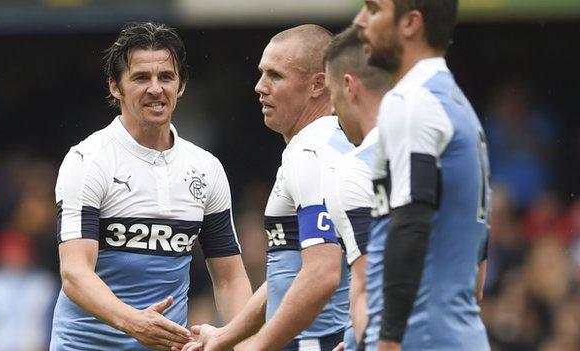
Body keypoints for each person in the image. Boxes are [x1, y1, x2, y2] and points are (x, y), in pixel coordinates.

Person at [50, 22, 252, 351]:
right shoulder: (88, 160)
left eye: (166, 77)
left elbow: (229, 278)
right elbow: (75, 273)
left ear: (182, 85)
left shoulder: (205, 168)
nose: (156, 89)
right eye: (141, 78)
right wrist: (134, 322)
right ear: (115, 86)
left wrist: (247, 345)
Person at [182, 24, 352, 351]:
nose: (260, 87)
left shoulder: (312, 156)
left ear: (318, 84)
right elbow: (287, 272)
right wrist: (226, 335)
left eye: (275, 76)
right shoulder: (330, 147)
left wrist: (258, 346)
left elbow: (322, 274)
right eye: (262, 74)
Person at [354, 1, 491, 350]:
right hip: (453, 330)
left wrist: (387, 339)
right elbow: (478, 249)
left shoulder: (412, 101)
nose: (359, 22)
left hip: (420, 334)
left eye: (373, 9)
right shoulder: (454, 102)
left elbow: (412, 222)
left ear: (410, 23)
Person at [322, 27, 392, 351]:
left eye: (332, 95)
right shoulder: (446, 149)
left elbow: (367, 289)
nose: (333, 111)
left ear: (349, 86)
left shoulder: (356, 169)